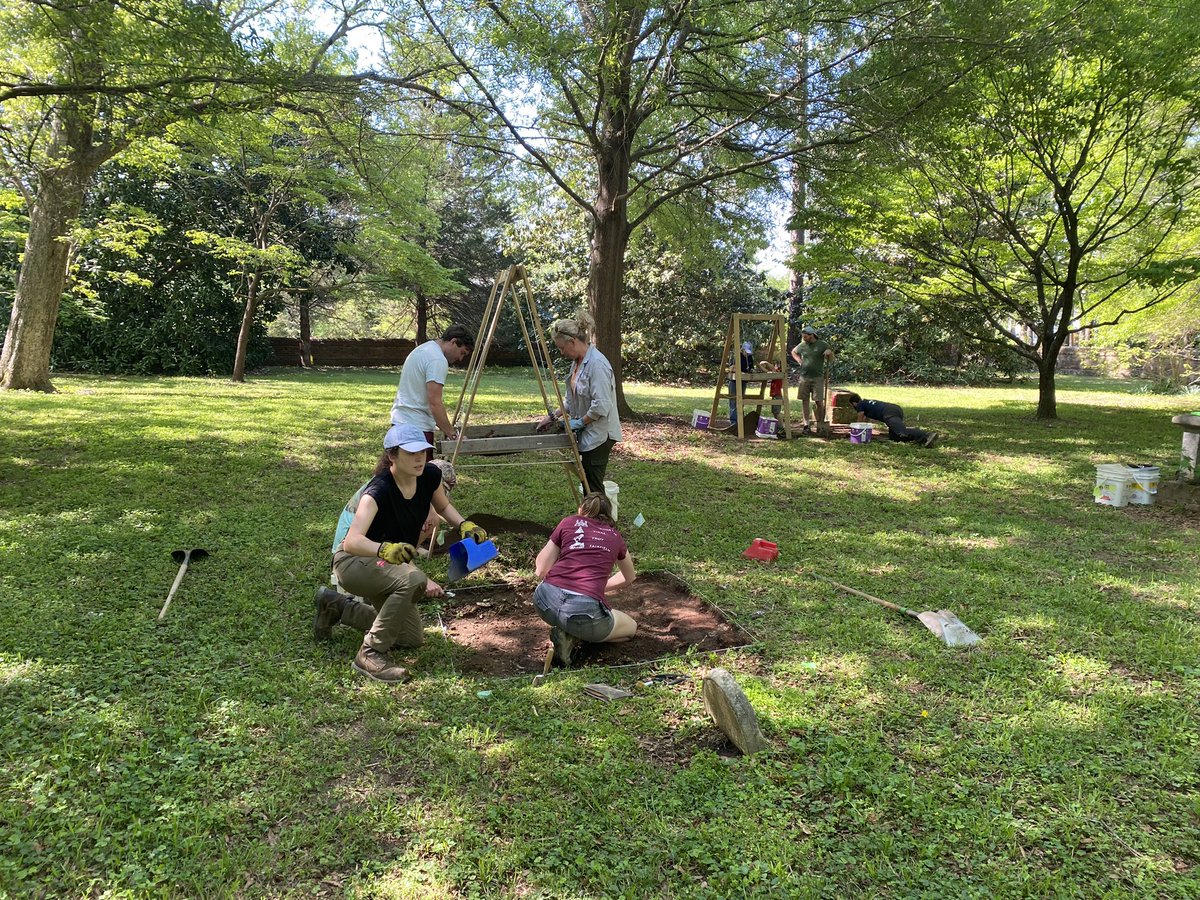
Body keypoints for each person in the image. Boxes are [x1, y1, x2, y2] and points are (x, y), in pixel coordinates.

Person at [312, 424, 489, 683]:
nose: (420, 458)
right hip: (354, 563)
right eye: (411, 453)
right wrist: (384, 549)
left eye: (423, 452)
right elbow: (351, 542)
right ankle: (369, 654)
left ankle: (337, 607)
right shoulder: (379, 491)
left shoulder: (429, 476)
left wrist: (463, 524)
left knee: (410, 638)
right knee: (414, 578)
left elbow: (443, 505)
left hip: (385, 564)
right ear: (392, 456)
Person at [533, 491, 637, 666]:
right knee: (630, 628)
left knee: (567, 615)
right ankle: (575, 637)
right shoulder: (614, 536)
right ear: (609, 515)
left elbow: (541, 569)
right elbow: (629, 577)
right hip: (585, 613)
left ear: (581, 509)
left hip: (544, 602)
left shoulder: (568, 522)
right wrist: (595, 588)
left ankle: (568, 633)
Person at [535, 310, 622, 494]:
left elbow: (601, 405)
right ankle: (588, 519)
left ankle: (601, 521)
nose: (561, 352)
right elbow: (571, 401)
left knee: (594, 490)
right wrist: (552, 416)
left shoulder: (597, 364)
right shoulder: (577, 363)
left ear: (572, 342)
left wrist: (580, 422)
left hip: (600, 436)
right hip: (588, 434)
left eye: (561, 348)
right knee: (587, 486)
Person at [389, 324, 475, 458]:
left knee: (402, 475)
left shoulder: (424, 348)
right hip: (417, 429)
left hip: (400, 423)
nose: (460, 359)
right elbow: (434, 403)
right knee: (420, 476)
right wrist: (453, 435)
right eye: (462, 352)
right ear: (453, 342)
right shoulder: (437, 359)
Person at [844, 392, 940, 447]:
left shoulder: (860, 404)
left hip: (889, 412)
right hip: (894, 409)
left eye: (852, 405)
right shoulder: (866, 403)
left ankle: (926, 435)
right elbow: (865, 419)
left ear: (854, 403)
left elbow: (860, 416)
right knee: (895, 437)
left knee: (901, 431)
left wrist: (856, 428)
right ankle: (920, 440)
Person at [790, 326, 835, 433]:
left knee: (819, 401)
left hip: (818, 378)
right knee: (804, 401)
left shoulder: (822, 344)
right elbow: (793, 352)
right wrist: (799, 361)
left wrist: (829, 353)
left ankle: (820, 424)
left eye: (806, 337)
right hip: (804, 377)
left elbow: (831, 359)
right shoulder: (802, 345)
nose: (804, 339)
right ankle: (806, 425)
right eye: (803, 337)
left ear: (812, 335)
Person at [728, 340, 755, 421]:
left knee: (741, 400)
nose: (747, 353)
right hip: (734, 381)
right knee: (733, 400)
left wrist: (752, 371)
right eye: (745, 351)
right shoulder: (736, 356)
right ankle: (734, 421)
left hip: (743, 381)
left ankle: (740, 419)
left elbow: (751, 367)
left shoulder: (749, 357)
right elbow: (731, 368)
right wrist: (739, 371)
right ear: (742, 349)